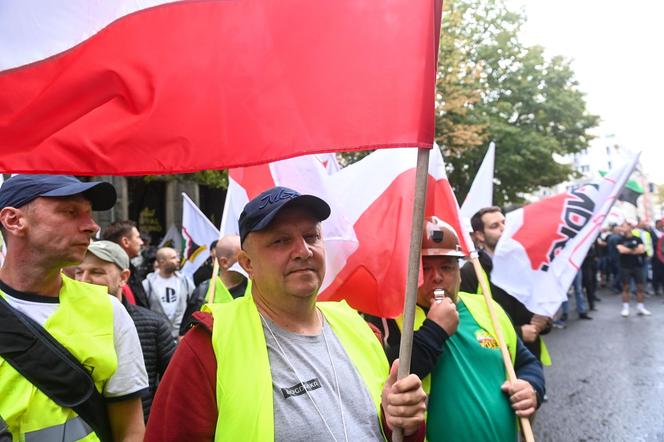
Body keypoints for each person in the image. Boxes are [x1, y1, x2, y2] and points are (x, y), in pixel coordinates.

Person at [146, 186, 427, 441]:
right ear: (247, 264)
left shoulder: (362, 329)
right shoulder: (207, 346)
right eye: (280, 241)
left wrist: (403, 422)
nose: (303, 251)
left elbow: (387, 431)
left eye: (311, 236)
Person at [368, 217, 544, 441]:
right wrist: (435, 330)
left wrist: (532, 387)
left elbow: (526, 362)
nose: (437, 277)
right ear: (411, 272)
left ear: (459, 271)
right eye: (425, 269)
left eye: (446, 267)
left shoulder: (487, 306)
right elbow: (388, 379)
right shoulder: (393, 316)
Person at [0, 174, 147, 441]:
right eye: (70, 212)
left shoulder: (108, 310)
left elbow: (131, 429)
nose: (92, 226)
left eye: (89, 214)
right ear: (14, 220)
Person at [74, 240, 176, 421]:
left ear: (123, 277)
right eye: (79, 272)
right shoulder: (64, 321)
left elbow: (177, 385)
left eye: (97, 272)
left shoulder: (153, 326)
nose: (84, 280)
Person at [460, 206, 553, 363]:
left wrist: (545, 321)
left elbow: (540, 307)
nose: (503, 229)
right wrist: (518, 334)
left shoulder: (525, 264)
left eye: (505, 223)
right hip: (495, 362)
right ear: (480, 235)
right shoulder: (471, 272)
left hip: (531, 360)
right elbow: (467, 326)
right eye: (495, 226)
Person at [180, 235, 251, 335]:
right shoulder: (203, 293)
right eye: (243, 257)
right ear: (224, 262)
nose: (249, 261)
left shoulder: (259, 288)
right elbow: (185, 336)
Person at [142, 247, 195, 338]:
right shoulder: (148, 284)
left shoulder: (184, 281)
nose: (178, 260)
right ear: (162, 261)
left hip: (181, 335)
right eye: (173, 258)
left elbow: (193, 303)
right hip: (158, 335)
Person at [102, 221, 149, 307]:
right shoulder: (112, 275)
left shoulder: (133, 270)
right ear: (125, 242)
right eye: (138, 237)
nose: (141, 242)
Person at [617, 220, 651, 317]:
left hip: (637, 266)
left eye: (624, 226)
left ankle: (641, 307)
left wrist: (628, 250)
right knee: (626, 287)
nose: (622, 228)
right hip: (625, 266)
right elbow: (621, 250)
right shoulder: (620, 239)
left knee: (640, 287)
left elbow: (641, 250)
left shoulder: (638, 238)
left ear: (630, 228)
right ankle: (625, 308)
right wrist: (633, 250)